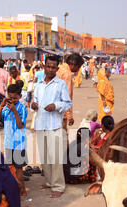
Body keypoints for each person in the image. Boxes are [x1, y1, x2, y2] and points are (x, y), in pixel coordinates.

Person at [31, 55, 72, 198]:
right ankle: (49, 181)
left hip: (54, 125)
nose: (50, 69)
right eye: (48, 66)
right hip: (41, 124)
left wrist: (56, 106)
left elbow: (67, 103)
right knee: (45, 157)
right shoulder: (39, 84)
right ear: (44, 66)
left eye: (53, 67)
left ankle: (58, 186)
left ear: (57, 68)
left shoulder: (60, 84)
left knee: (55, 158)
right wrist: (33, 105)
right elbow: (34, 101)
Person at [0, 83, 28, 196]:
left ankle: (22, 189)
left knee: (19, 168)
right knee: (11, 168)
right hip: (9, 143)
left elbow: (20, 125)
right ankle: (14, 189)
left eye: (15, 98)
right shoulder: (6, 108)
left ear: (20, 96)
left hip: (19, 143)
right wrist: (1, 106)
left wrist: (14, 111)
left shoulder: (22, 108)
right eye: (10, 98)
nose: (13, 100)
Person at [57, 53, 85, 129]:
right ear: (73, 64)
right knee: (62, 137)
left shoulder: (59, 68)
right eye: (78, 67)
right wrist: (69, 116)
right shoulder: (67, 74)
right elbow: (67, 96)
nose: (78, 69)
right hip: (60, 111)